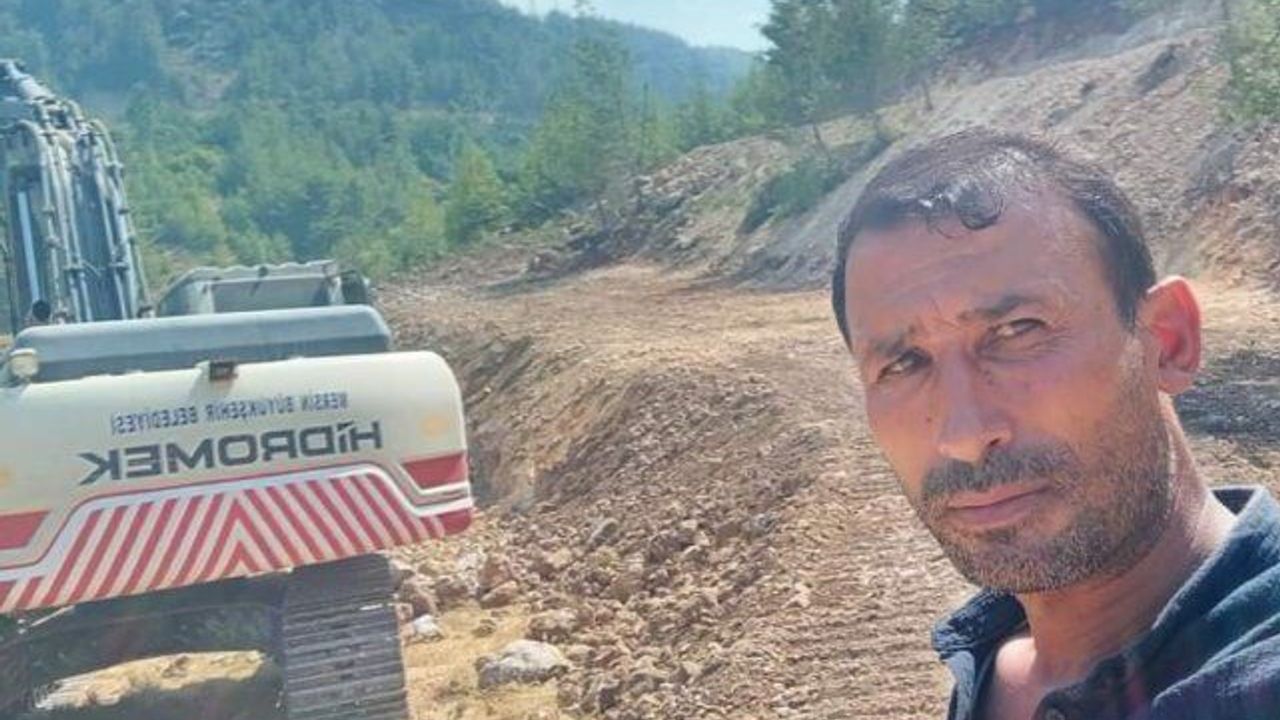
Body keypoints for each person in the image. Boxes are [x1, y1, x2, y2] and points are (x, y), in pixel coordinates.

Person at [831, 128, 1280, 720]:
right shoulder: (996, 663)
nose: (964, 435)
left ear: (1167, 340)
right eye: (903, 364)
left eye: (1018, 331)